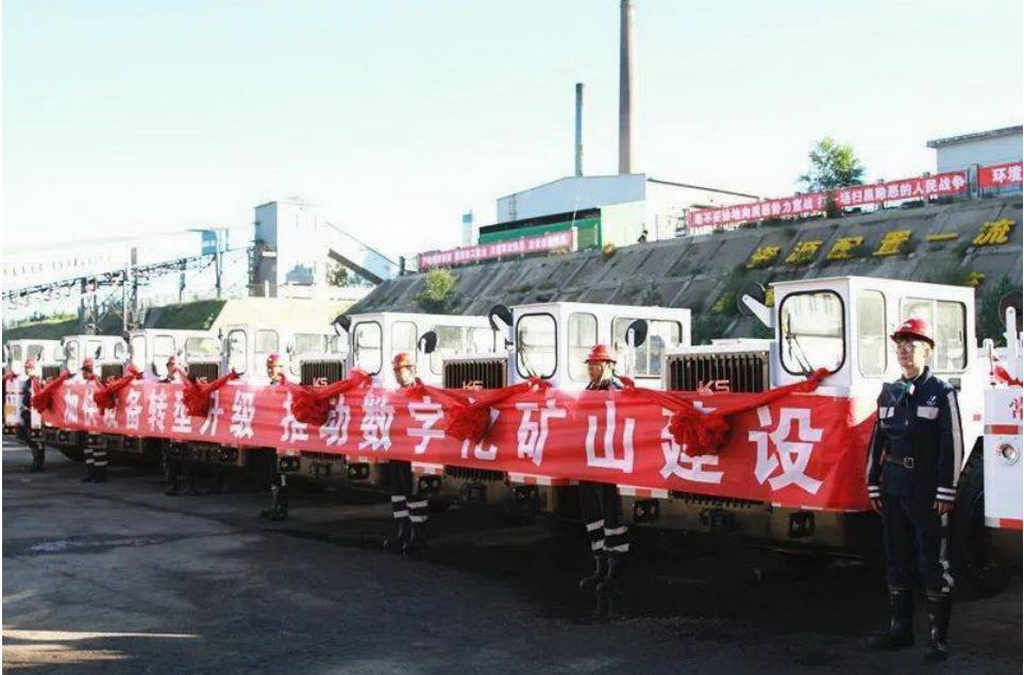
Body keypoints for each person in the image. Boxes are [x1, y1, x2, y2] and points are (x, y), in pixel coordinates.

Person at [866, 317, 962, 662]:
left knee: (933, 564)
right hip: (893, 488)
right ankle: (900, 629)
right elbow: (877, 441)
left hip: (926, 490)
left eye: (911, 345)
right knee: (897, 560)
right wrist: (873, 482)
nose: (904, 351)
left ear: (927, 351)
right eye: (900, 346)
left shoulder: (941, 392)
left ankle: (938, 640)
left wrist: (946, 491)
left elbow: (953, 444)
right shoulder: (889, 392)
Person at [577, 345, 629, 609]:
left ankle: (614, 568)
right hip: (590, 460)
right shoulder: (589, 390)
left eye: (595, 364)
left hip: (609, 460)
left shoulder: (617, 390)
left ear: (608, 365)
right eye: (589, 364)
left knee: (611, 514)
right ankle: (599, 564)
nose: (590, 368)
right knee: (592, 513)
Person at [383, 352, 429, 554]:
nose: (397, 375)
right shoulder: (395, 395)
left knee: (414, 492)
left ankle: (417, 536)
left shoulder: (423, 394)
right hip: (397, 449)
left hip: (414, 451)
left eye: (399, 371)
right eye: (395, 371)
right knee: (397, 491)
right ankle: (402, 531)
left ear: (411, 370)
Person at [261, 354, 291, 520]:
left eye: (274, 368)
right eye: (269, 368)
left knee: (281, 473)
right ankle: (274, 506)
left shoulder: (286, 388)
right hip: (270, 437)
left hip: (282, 438)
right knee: (273, 473)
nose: (271, 371)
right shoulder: (270, 387)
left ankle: (281, 508)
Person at [73, 358, 109, 483]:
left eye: (85, 371)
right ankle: (91, 473)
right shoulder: (87, 383)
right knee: (88, 448)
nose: (83, 373)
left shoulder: (97, 382)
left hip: (96, 421)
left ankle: (100, 474)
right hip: (88, 421)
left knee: (98, 448)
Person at [20, 359, 44, 472]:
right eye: (26, 368)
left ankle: (38, 461)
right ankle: (36, 459)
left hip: (35, 415)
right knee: (29, 438)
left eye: (28, 368)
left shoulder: (37, 382)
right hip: (27, 414)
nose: (26, 370)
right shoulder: (27, 382)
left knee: (36, 439)